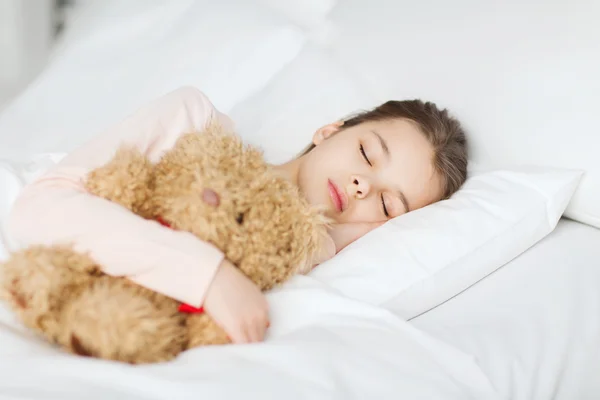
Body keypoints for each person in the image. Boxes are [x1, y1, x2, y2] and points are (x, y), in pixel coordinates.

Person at [5, 86, 468, 345]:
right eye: (367, 154)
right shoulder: (194, 123)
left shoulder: (297, 257)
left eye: (387, 204)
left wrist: (340, 236)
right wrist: (210, 276)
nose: (363, 186)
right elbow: (44, 204)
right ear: (329, 132)